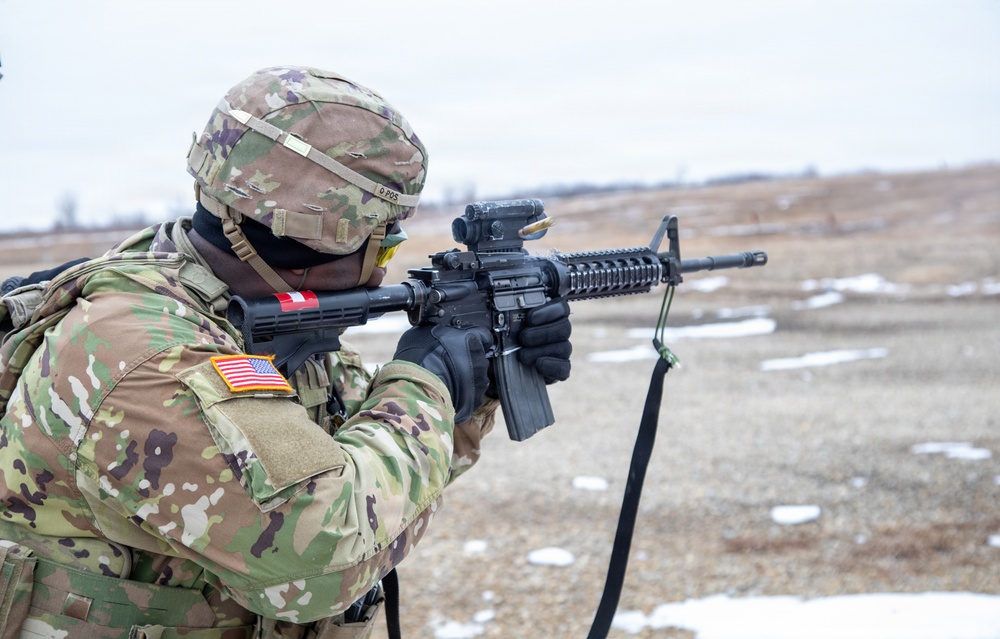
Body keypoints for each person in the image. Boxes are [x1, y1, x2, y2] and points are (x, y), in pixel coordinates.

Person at [0, 66, 571, 638]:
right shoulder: (144, 354)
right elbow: (321, 558)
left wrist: (477, 384)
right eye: (386, 239)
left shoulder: (255, 320)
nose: (385, 266)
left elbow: (373, 472)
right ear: (330, 235)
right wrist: (424, 383)